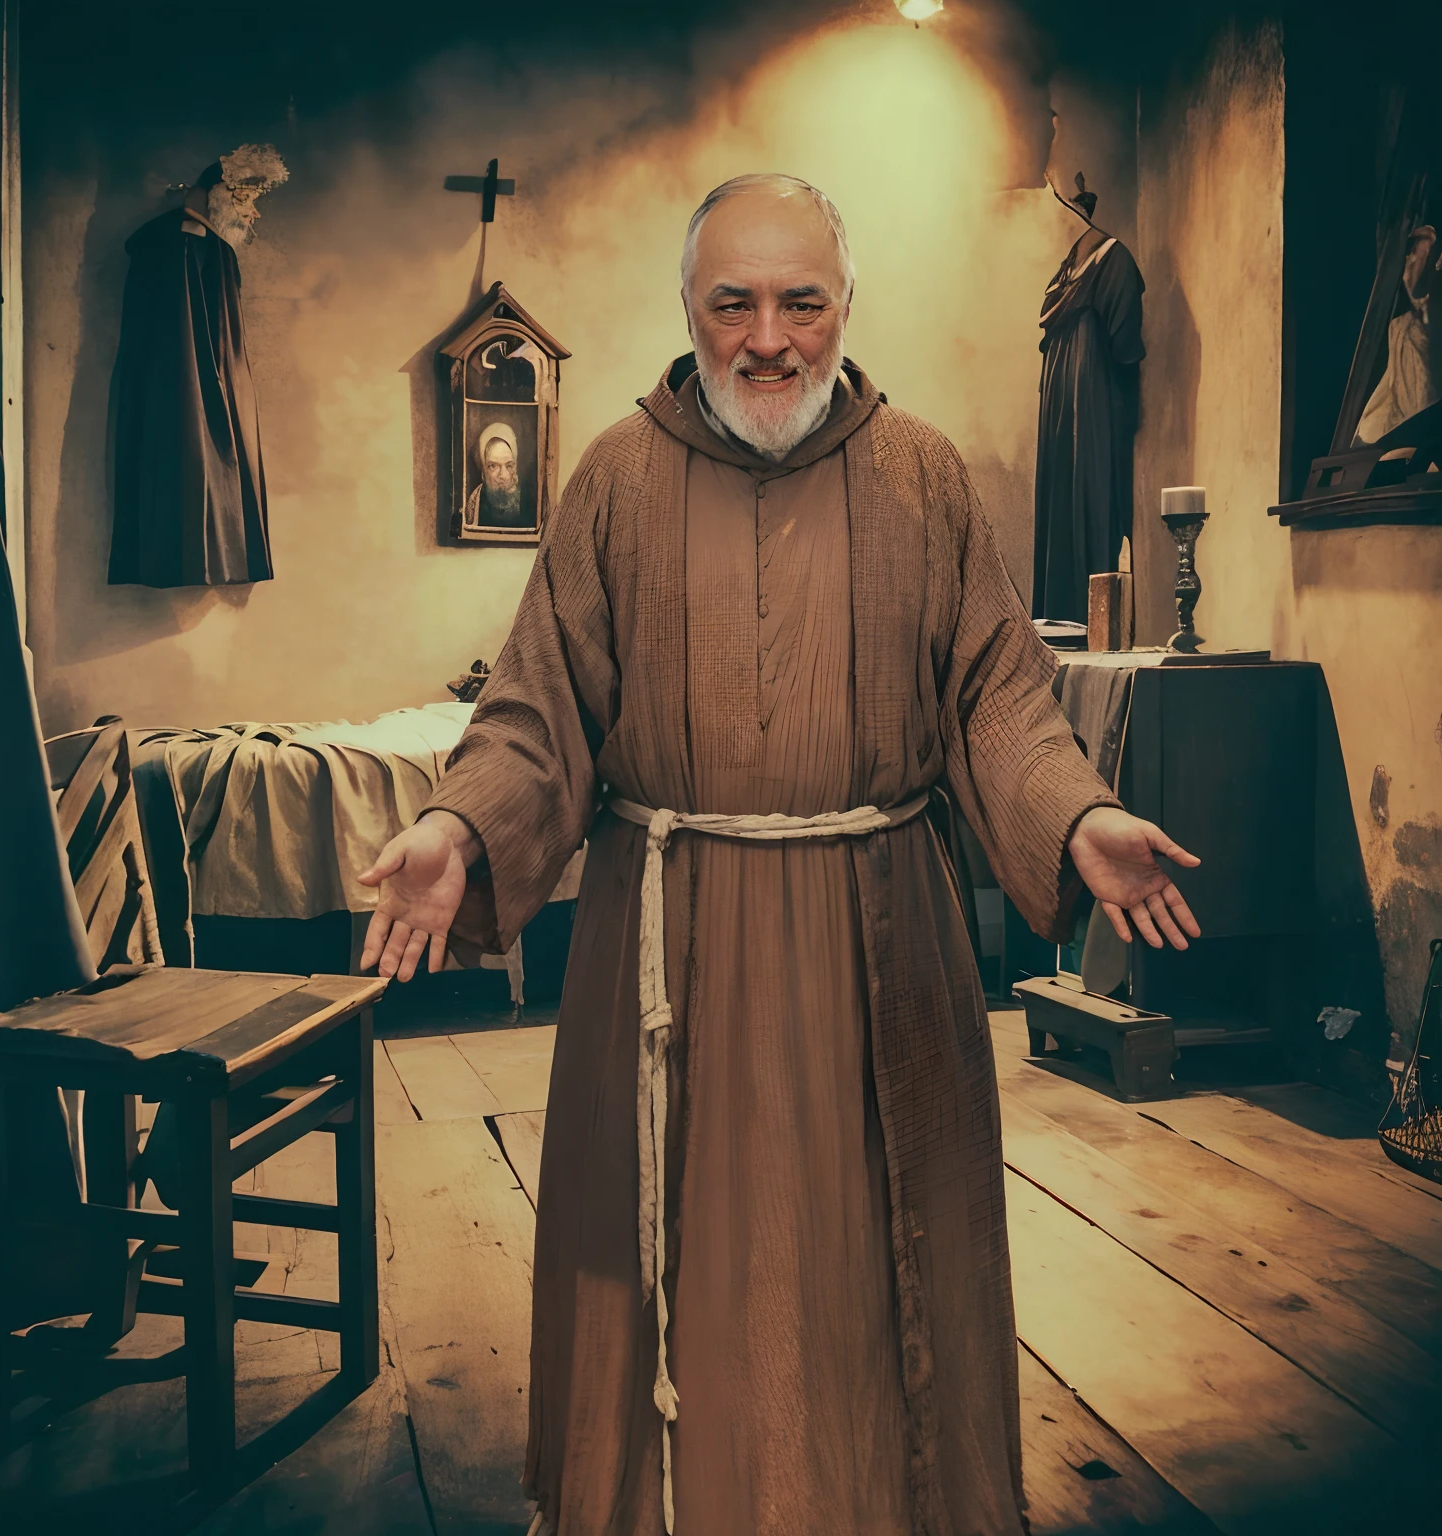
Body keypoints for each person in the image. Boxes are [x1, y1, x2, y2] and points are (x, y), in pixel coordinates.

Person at [359, 173, 1200, 1536]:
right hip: (662, 954)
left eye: (800, 301)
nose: (767, 338)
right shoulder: (616, 481)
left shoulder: (922, 475)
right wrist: (460, 828)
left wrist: (1076, 815)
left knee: (874, 1266)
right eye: (731, 302)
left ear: (845, 306)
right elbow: (537, 709)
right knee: (668, 1264)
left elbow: (999, 697)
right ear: (688, 309)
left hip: (885, 947)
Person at [466, 421, 532, 528]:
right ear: (483, 473)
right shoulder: (473, 505)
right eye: (493, 466)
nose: (502, 475)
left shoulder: (527, 501)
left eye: (509, 466)